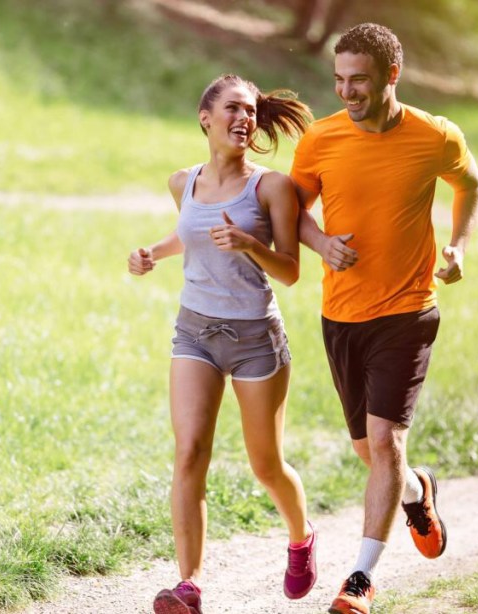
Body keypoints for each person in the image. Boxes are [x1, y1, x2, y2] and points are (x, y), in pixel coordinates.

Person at [290, 23, 478, 614]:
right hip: (341, 313)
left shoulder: (434, 135)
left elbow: (470, 185)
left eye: (360, 81)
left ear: (390, 76)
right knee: (368, 452)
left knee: (384, 439)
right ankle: (418, 490)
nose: (348, 92)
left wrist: (458, 247)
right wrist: (321, 243)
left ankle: (359, 579)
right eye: (340, 80)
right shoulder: (321, 140)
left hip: (408, 310)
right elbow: (291, 211)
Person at [128, 74, 315, 614]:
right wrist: (151, 253)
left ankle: (301, 537)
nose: (245, 119)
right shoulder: (181, 182)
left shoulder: (271, 187)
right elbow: (189, 233)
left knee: (266, 466)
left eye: (252, 111)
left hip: (257, 338)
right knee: (189, 453)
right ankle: (188, 585)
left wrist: (249, 243)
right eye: (234, 108)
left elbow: (290, 272)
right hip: (195, 331)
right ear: (205, 117)